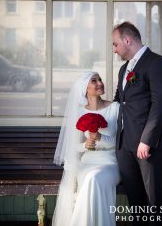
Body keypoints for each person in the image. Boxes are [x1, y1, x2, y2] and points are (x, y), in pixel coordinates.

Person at [113, 21, 162, 225]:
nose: (114, 50)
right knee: (135, 202)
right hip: (125, 146)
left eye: (115, 44)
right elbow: (118, 102)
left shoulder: (158, 63)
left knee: (155, 202)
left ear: (127, 40)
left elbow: (161, 104)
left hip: (150, 146)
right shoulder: (123, 69)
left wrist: (146, 140)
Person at [52, 71, 120, 226]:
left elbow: (121, 142)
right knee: (90, 178)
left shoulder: (115, 108)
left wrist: (100, 138)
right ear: (85, 89)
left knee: (94, 178)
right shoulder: (80, 111)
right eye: (94, 81)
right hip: (87, 163)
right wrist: (85, 145)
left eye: (100, 79)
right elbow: (73, 146)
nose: (100, 83)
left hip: (110, 162)